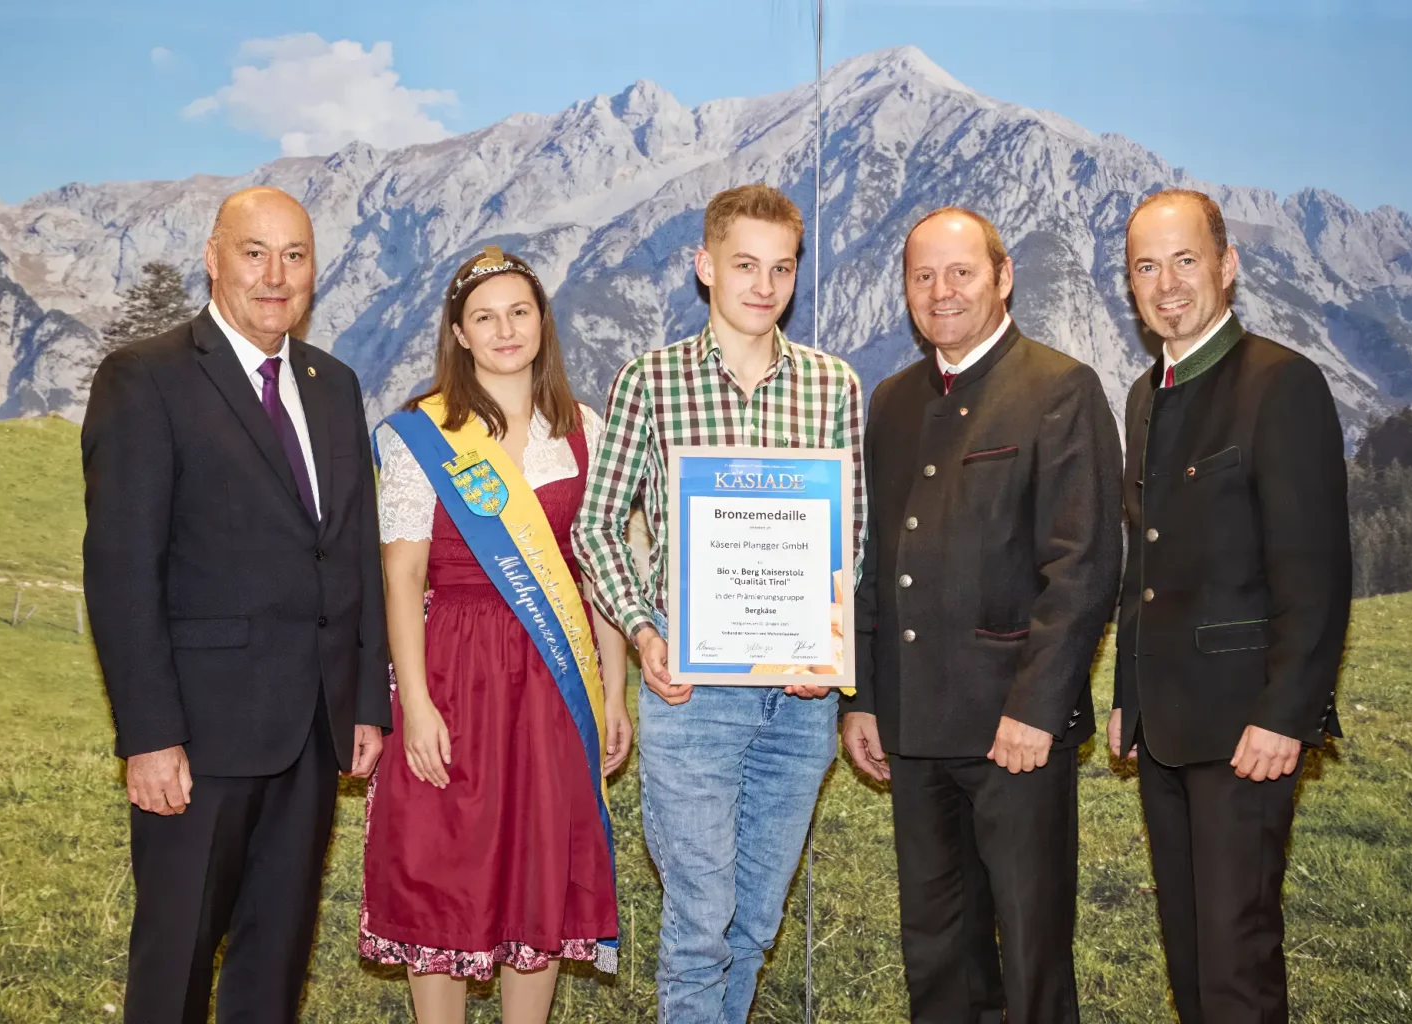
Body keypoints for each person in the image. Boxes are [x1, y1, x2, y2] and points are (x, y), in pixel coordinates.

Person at [81, 186, 390, 1023]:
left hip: (313, 734)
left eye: (295, 256)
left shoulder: (334, 384)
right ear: (214, 258)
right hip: (200, 739)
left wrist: (365, 700)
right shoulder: (146, 378)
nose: (275, 275)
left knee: (274, 964)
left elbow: (353, 549)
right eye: (255, 252)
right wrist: (149, 735)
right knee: (175, 962)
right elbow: (120, 570)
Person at [572, 183, 865, 1023]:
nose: (763, 285)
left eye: (781, 268)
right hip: (689, 693)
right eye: (744, 265)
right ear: (706, 267)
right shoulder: (650, 382)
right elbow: (596, 528)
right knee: (701, 923)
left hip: (799, 701)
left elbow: (855, 536)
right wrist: (641, 627)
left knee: (755, 924)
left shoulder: (832, 386)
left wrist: (830, 642)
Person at [841, 207, 1122, 1024]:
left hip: (1016, 734)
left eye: (961, 272)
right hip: (915, 730)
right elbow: (874, 563)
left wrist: (1036, 709)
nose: (942, 291)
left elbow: (1085, 566)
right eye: (923, 276)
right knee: (935, 953)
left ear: (1003, 278)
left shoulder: (1061, 388)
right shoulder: (891, 402)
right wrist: (862, 697)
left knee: (1033, 955)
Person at [359, 246, 630, 1024]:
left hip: (553, 679)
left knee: (538, 860)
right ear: (459, 332)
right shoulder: (422, 433)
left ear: (542, 323)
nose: (505, 329)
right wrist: (413, 702)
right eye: (485, 317)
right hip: (452, 670)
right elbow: (403, 578)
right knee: (442, 860)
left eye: (520, 312)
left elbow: (596, 572)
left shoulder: (585, 431)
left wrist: (613, 693)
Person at [1109, 189, 1350, 1023]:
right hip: (1165, 730)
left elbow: (1315, 574)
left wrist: (1287, 716)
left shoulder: (1281, 383)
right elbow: (1146, 559)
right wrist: (1126, 699)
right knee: (1190, 956)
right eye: (1147, 266)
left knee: (1237, 965)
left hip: (1249, 730)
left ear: (1227, 265)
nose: (1167, 283)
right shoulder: (1145, 396)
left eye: (1185, 260)